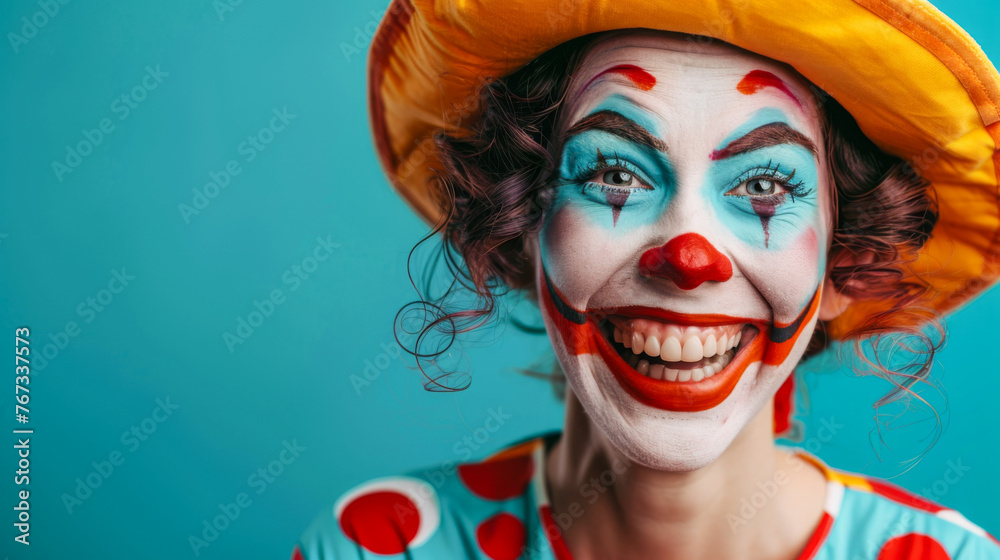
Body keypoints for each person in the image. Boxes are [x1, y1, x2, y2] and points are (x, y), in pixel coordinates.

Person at [293, 1, 1000, 558]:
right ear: (522, 231)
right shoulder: (377, 547)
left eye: (763, 183)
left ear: (844, 262)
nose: (689, 258)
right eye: (614, 173)